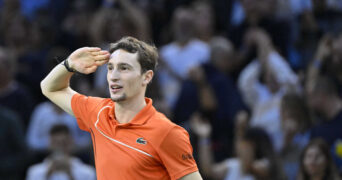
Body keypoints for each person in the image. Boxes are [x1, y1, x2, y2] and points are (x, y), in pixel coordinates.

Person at [40, 36, 202, 180]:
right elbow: (50, 88)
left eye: (124, 68)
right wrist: (69, 64)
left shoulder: (167, 133)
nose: (114, 76)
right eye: (110, 68)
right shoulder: (97, 112)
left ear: (147, 77)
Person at [26, 124, 96, 180]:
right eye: (56, 143)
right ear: (49, 144)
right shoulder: (34, 172)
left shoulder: (88, 173)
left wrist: (70, 175)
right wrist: (47, 175)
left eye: (64, 143)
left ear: (71, 143)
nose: (60, 147)